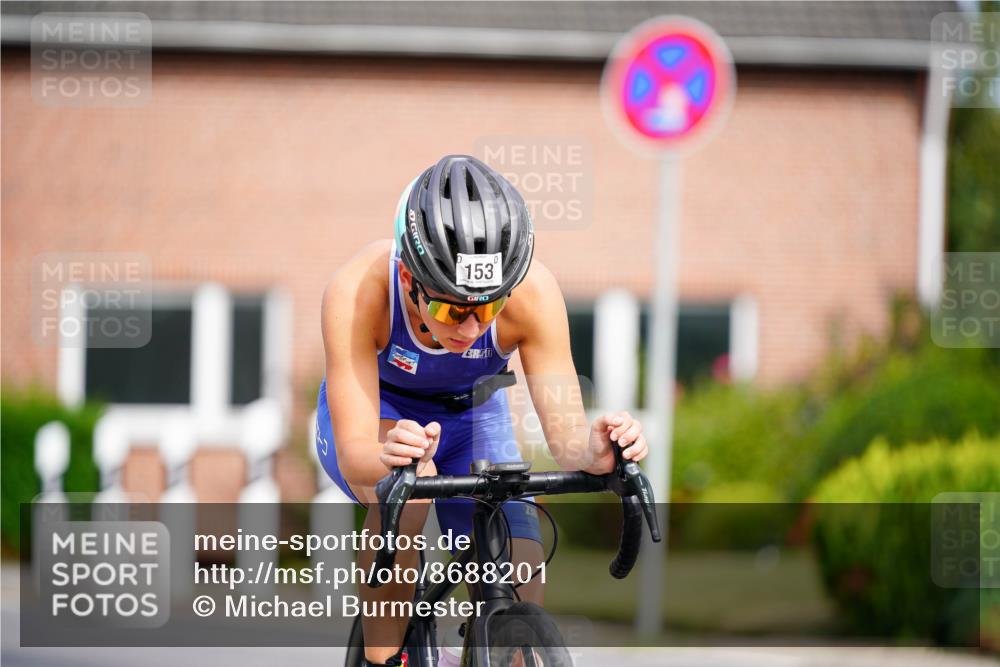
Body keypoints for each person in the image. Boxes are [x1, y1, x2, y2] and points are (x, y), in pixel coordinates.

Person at [316, 154, 648, 666]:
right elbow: (358, 450)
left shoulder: (532, 293)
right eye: (451, 308)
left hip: (473, 417)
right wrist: (388, 456)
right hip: (380, 416)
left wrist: (596, 447)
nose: (470, 328)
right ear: (408, 278)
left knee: (520, 571)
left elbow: (567, 438)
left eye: (488, 307)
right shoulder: (361, 290)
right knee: (407, 490)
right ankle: (385, 659)